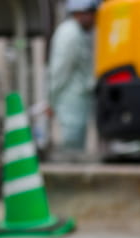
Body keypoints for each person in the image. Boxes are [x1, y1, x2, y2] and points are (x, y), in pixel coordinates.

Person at [48, 0, 98, 152]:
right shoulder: (69, 34)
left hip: (79, 100)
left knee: (77, 143)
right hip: (70, 100)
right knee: (72, 144)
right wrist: (51, 99)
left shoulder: (82, 33)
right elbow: (59, 70)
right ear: (80, 13)